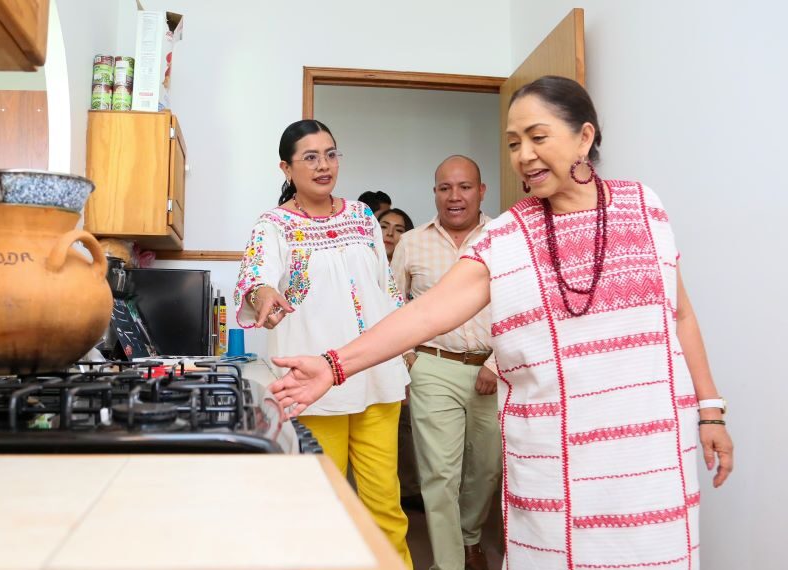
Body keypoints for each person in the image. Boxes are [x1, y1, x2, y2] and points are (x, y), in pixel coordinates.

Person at [269, 77, 734, 570]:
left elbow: (679, 314)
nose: (524, 155)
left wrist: (710, 409)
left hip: (651, 456)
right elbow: (426, 312)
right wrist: (334, 365)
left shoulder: (646, 207)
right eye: (513, 144)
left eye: (538, 137)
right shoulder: (508, 235)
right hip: (555, 470)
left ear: (584, 137)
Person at [233, 119, 414, 568]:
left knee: (385, 508)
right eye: (310, 157)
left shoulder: (362, 216)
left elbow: (385, 286)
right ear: (286, 168)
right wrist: (264, 296)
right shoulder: (273, 225)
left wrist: (403, 345)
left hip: (373, 376)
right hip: (313, 389)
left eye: (331, 154)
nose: (323, 165)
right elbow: (255, 279)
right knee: (320, 506)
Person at [390, 155, 501, 570]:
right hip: (433, 365)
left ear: (481, 190)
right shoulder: (411, 243)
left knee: (486, 469)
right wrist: (409, 359)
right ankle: (450, 562)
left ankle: (470, 536)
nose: (455, 197)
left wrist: (498, 362)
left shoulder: (504, 238)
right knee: (439, 474)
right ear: (435, 192)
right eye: (445, 188)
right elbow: (392, 304)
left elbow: (522, 305)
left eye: (464, 187)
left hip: (493, 368)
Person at [376, 207, 420, 513]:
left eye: (399, 229)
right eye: (385, 226)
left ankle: (408, 490)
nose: (390, 234)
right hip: (366, 358)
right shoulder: (364, 264)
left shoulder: (413, 270)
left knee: (404, 427)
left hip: (405, 356)